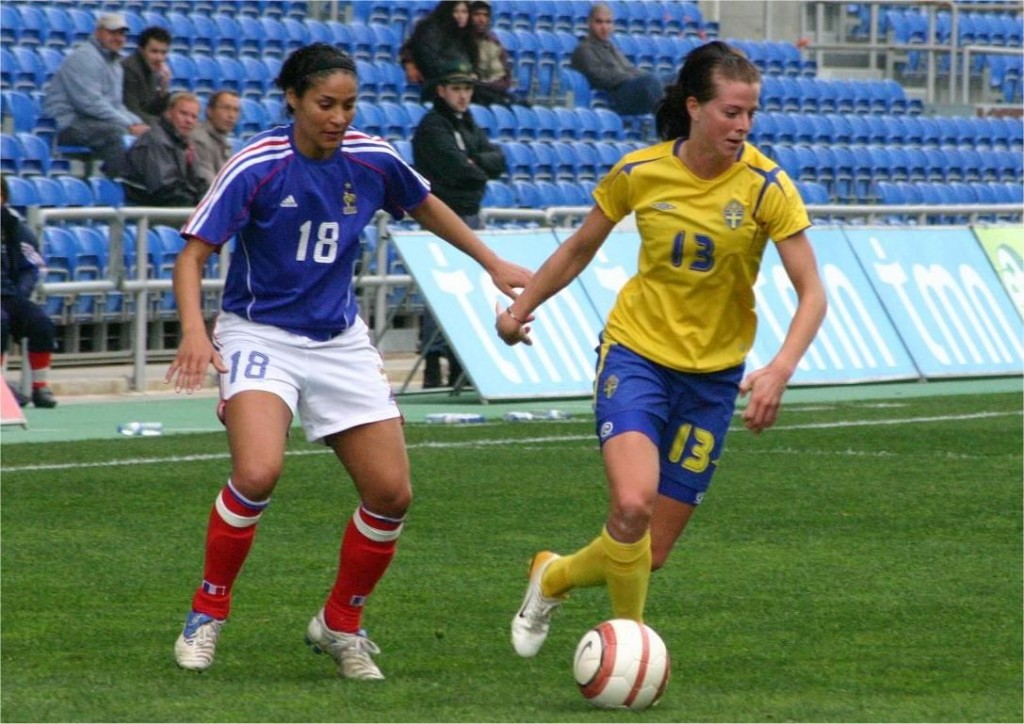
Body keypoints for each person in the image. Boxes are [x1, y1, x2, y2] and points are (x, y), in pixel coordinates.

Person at [166, 43, 530, 680]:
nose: (338, 117)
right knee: (258, 472)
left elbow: (426, 205)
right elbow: (192, 255)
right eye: (325, 104)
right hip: (259, 334)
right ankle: (207, 611)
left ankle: (340, 623)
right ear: (294, 101)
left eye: (348, 104)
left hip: (338, 339)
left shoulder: (371, 158)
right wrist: (196, 333)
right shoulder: (258, 164)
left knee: (391, 494)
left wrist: (491, 261)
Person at [496, 40, 827, 657]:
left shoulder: (765, 186)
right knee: (632, 503)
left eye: (751, 113)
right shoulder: (639, 172)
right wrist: (519, 311)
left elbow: (813, 292)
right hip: (637, 356)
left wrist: (781, 368)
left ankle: (553, 575)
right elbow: (576, 249)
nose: (744, 125)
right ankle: (632, 650)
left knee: (652, 551)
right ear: (695, 108)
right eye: (731, 112)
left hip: (712, 379)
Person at [412, 61, 507, 388]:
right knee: (438, 291)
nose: (463, 96)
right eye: (457, 89)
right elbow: (456, 168)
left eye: (467, 89)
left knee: (467, 289)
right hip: (441, 218)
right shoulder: (432, 127)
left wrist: (475, 163)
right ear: (441, 90)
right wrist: (477, 166)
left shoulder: (468, 123)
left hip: (469, 213)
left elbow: (498, 161)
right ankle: (433, 365)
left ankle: (459, 363)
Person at [42, 12, 149, 177]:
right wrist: (129, 125)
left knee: (149, 133)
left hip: (94, 123)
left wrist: (138, 124)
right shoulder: (85, 58)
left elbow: (116, 105)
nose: (118, 38)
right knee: (114, 133)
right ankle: (120, 184)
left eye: (122, 34)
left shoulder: (115, 64)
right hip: (69, 125)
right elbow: (89, 103)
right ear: (98, 32)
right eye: (112, 32)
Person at [0, 176, 57, 409]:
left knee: (40, 321)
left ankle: (39, 386)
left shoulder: (13, 227)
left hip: (8, 294)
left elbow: (33, 265)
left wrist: (21, 292)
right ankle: (2, 388)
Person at [570, 3, 668, 116]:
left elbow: (629, 68)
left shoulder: (610, 46)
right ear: (589, 23)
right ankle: (667, 120)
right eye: (599, 22)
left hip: (630, 86)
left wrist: (636, 75)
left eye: (608, 22)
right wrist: (630, 76)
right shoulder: (584, 49)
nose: (604, 27)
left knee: (675, 78)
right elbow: (600, 77)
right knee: (650, 81)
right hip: (615, 97)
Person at [121, 92, 208, 207]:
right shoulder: (155, 140)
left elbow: (198, 182)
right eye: (183, 114)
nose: (189, 121)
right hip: (148, 210)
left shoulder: (184, 143)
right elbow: (164, 189)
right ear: (168, 113)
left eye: (194, 117)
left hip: (176, 206)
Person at [399, 1, 478, 102]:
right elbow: (432, 61)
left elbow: (472, 63)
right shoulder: (431, 30)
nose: (460, 16)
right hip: (437, 85)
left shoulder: (467, 36)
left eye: (464, 12)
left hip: (461, 83)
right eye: (456, 12)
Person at [122, 26, 173, 127]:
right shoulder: (130, 69)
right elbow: (132, 111)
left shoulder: (152, 69)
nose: (159, 58)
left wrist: (164, 87)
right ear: (141, 50)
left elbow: (152, 110)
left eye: (163, 53)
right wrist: (165, 125)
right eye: (154, 51)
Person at [467, 1, 516, 107]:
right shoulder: (459, 40)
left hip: (490, 91)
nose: (481, 19)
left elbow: (503, 79)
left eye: (485, 15)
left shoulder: (494, 42)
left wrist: (488, 84)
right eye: (477, 14)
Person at [190, 90, 242, 186]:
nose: (231, 115)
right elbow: (210, 185)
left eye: (236, 110)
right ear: (210, 111)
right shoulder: (199, 139)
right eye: (226, 108)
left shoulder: (224, 141)